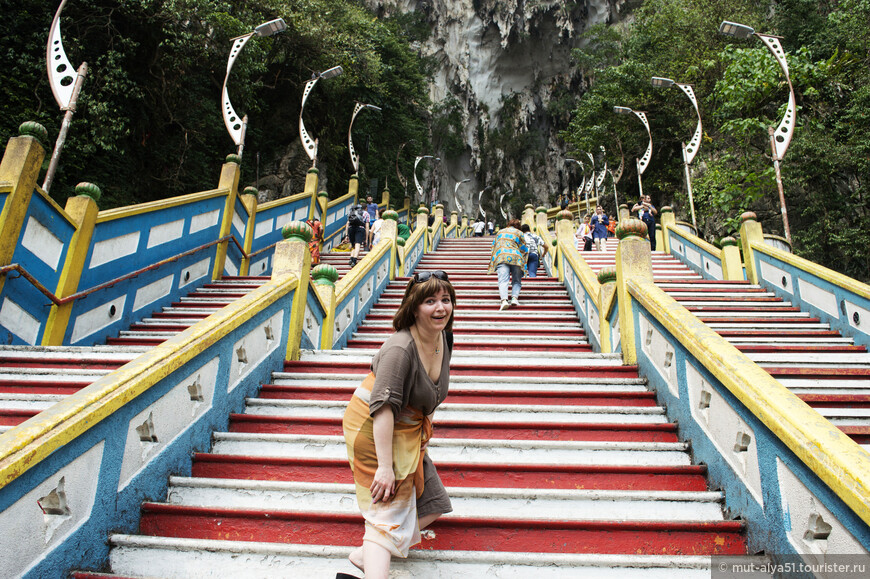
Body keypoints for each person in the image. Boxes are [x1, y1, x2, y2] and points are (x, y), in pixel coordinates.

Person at [342, 270, 455, 579]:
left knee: (433, 503)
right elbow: (382, 407)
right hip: (374, 427)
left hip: (409, 429)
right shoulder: (400, 348)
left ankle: (365, 553)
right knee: (388, 510)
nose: (440, 308)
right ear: (414, 307)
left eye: (446, 299)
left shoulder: (443, 337)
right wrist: (385, 466)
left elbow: (428, 396)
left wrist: (423, 440)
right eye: (430, 301)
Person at [488, 218, 527, 310]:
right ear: (518, 226)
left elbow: (493, 247)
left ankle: (504, 300)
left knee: (503, 280)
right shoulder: (519, 232)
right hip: (516, 257)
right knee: (517, 280)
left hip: (501, 256)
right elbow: (524, 248)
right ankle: (514, 298)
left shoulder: (500, 232)